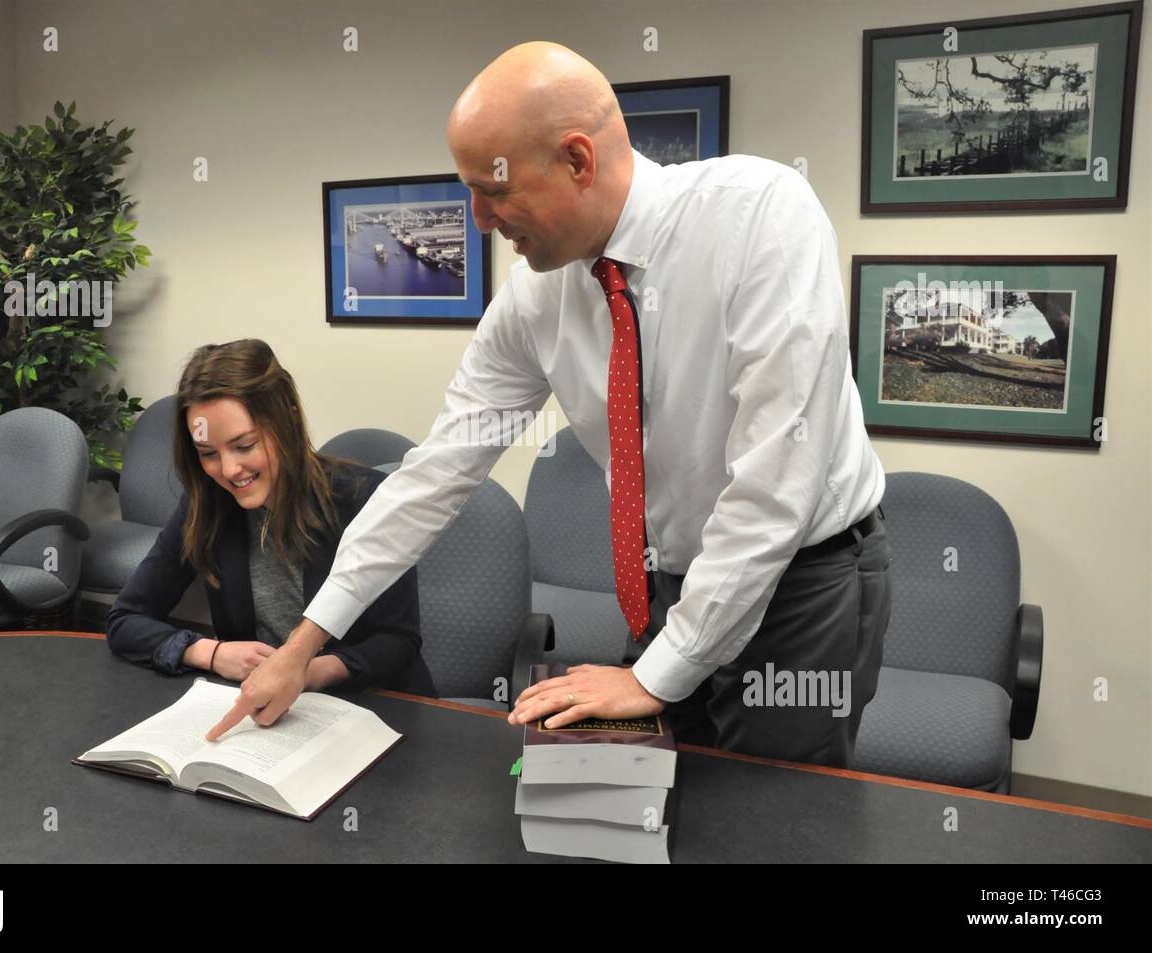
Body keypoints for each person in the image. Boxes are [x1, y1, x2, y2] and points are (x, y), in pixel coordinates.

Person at [207, 42, 889, 769]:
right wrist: (305, 641)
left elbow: (775, 482)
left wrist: (655, 673)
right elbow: (436, 473)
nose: (476, 219)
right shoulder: (536, 298)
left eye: (491, 190)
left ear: (577, 160)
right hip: (671, 581)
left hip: (804, 578)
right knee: (640, 797)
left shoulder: (759, 216)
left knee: (770, 822)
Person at [107, 338, 435, 697]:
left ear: (288, 419)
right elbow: (126, 620)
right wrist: (212, 653)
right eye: (208, 453)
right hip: (265, 716)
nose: (229, 470)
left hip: (371, 706)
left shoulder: (365, 498)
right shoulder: (207, 505)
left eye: (244, 445)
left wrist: (304, 670)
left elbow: (398, 643)